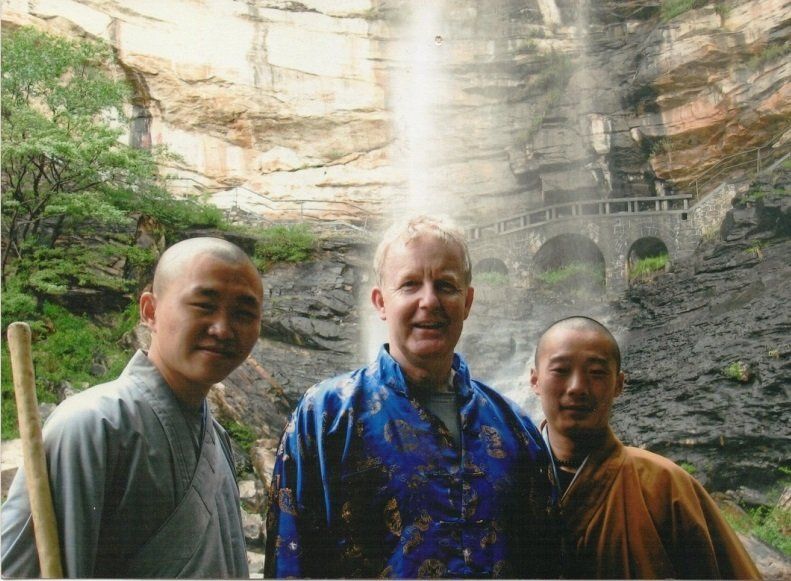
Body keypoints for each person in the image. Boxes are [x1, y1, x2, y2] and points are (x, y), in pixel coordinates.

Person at [264, 215, 556, 578]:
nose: (429, 300)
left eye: (446, 286)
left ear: (467, 301)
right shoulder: (326, 415)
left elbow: (544, 562)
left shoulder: (515, 428)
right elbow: (290, 556)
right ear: (380, 302)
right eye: (410, 284)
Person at [1, 237, 263, 578]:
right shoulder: (91, 424)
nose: (223, 329)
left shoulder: (217, 437)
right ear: (150, 310)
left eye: (244, 313)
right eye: (203, 305)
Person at [530, 316, 760, 579]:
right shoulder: (505, 478)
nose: (577, 387)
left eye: (596, 373)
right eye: (560, 370)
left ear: (619, 384)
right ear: (535, 381)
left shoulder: (666, 485)